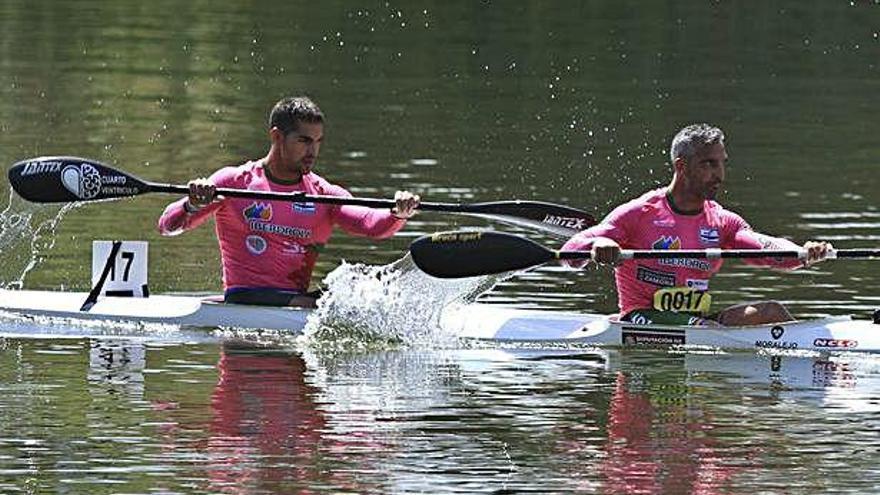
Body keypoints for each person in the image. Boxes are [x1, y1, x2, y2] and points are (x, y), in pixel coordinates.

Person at [158, 96, 420, 307]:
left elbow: (370, 223)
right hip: (244, 297)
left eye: (318, 142)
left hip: (296, 302)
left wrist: (398, 213)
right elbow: (167, 225)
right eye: (304, 141)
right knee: (330, 301)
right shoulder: (234, 182)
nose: (313, 152)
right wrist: (192, 204)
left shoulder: (322, 193)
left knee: (355, 286)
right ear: (276, 137)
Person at [562, 123, 831, 326]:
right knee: (703, 329)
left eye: (722, 164)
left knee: (772, 312)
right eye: (709, 165)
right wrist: (601, 244)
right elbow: (571, 252)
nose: (720, 175)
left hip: (696, 323)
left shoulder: (722, 221)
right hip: (639, 318)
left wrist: (802, 253)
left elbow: (766, 248)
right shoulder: (640, 213)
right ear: (682, 166)